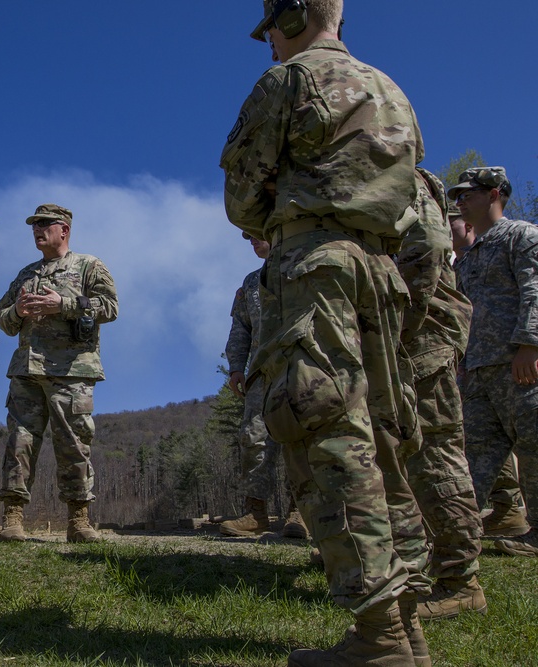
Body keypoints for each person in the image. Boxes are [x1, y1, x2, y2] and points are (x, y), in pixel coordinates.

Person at [220, 1, 431, 664]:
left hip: (316, 268)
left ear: (288, 18)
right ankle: (406, 625)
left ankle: (379, 637)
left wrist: (278, 201)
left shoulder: (285, 83)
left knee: (324, 434)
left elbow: (241, 198)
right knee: (384, 439)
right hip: (381, 272)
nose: (269, 49)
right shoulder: (391, 89)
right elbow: (416, 201)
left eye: (271, 34)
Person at [0, 203, 118, 543]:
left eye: (45, 224)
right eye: (34, 225)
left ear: (64, 229)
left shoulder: (88, 266)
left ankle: (79, 520)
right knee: (19, 442)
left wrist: (62, 304)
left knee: (73, 443)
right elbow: (3, 320)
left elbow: (110, 307)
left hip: (71, 370)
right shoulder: (25, 274)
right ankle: (13, 518)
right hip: (26, 370)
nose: (37, 230)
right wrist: (17, 310)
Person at [396, 168, 486, 621]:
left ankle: (460, 580)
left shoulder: (396, 171)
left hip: (421, 338)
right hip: (397, 340)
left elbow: (427, 248)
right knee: (393, 456)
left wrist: (393, 327)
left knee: (434, 455)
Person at [450, 166, 538, 559]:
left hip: (520, 365)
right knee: (472, 457)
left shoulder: (521, 236)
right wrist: (462, 365)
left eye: (469, 193)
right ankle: (454, 536)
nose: (461, 201)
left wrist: (530, 346)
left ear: (495, 194)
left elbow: (535, 290)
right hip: (480, 372)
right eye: (458, 195)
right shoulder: (465, 262)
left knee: (534, 446)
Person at [221, 232, 307, 538]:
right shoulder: (250, 283)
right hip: (261, 374)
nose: (251, 239)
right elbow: (240, 329)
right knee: (254, 439)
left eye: (258, 233)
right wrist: (235, 368)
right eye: (246, 235)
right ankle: (256, 513)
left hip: (301, 368)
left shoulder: (303, 267)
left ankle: (301, 513)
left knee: (302, 439)